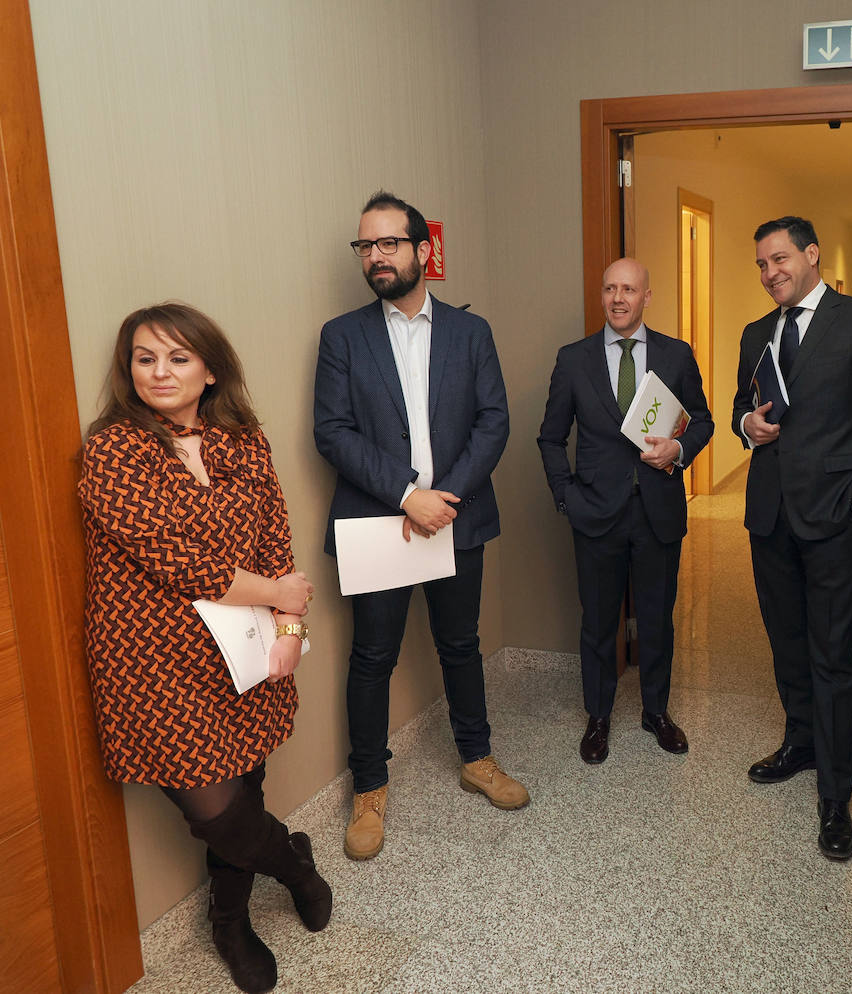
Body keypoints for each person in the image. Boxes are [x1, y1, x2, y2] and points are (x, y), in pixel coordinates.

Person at [79, 303, 331, 994]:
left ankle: (229, 919)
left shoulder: (244, 440)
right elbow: (179, 561)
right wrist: (281, 596)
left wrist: (288, 629)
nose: (159, 371)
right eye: (144, 357)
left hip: (245, 651)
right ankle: (296, 867)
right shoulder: (113, 451)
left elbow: (276, 536)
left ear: (210, 368)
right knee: (217, 809)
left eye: (177, 357)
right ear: (128, 369)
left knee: (245, 784)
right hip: (152, 665)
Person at [314, 190, 525, 864]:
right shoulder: (342, 336)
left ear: (422, 250)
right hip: (380, 527)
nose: (375, 256)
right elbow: (333, 432)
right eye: (365, 246)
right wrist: (408, 495)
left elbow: (495, 421)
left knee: (460, 643)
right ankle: (370, 788)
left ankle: (477, 757)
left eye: (389, 244)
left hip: (455, 521)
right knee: (372, 657)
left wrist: (447, 495)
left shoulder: (471, 333)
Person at [733, 216, 852, 860]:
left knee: (833, 652)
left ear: (812, 255)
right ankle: (800, 742)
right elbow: (736, 407)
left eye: (779, 259)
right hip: (768, 515)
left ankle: (836, 794)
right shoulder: (756, 334)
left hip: (832, 518)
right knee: (785, 640)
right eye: (760, 264)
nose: (769, 272)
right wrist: (746, 423)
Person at [537, 258, 714, 763]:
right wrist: (566, 495)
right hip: (594, 512)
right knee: (597, 620)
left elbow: (701, 421)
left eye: (629, 289)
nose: (618, 298)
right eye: (610, 288)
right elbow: (550, 437)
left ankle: (656, 712)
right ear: (601, 295)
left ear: (646, 297)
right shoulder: (573, 360)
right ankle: (598, 716)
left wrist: (677, 452)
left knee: (658, 618)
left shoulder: (676, 356)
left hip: (657, 509)